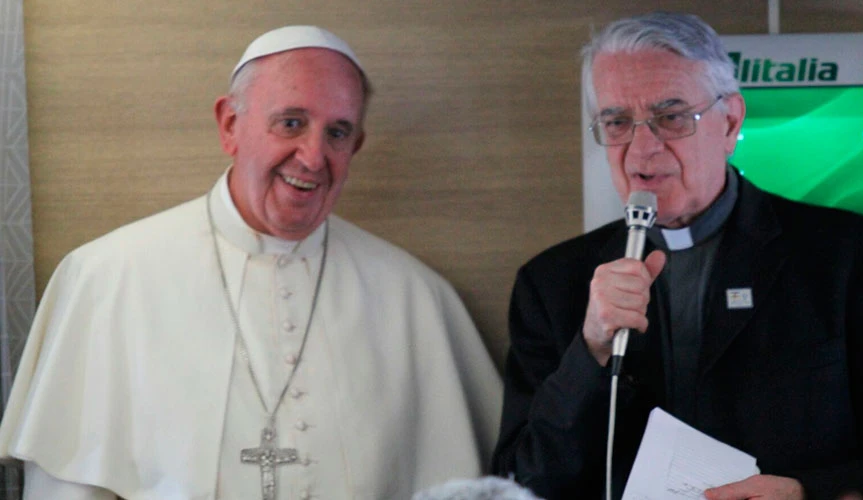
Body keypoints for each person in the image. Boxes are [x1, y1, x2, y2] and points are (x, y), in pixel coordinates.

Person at [0, 26, 502, 499]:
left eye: (338, 133)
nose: (312, 156)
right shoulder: (107, 279)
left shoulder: (414, 297)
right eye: (291, 123)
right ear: (230, 125)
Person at [492, 11, 863, 500]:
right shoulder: (551, 284)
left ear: (730, 122)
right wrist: (591, 350)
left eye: (671, 117)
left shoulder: (850, 256)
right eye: (617, 122)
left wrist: (804, 493)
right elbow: (518, 484)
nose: (642, 151)